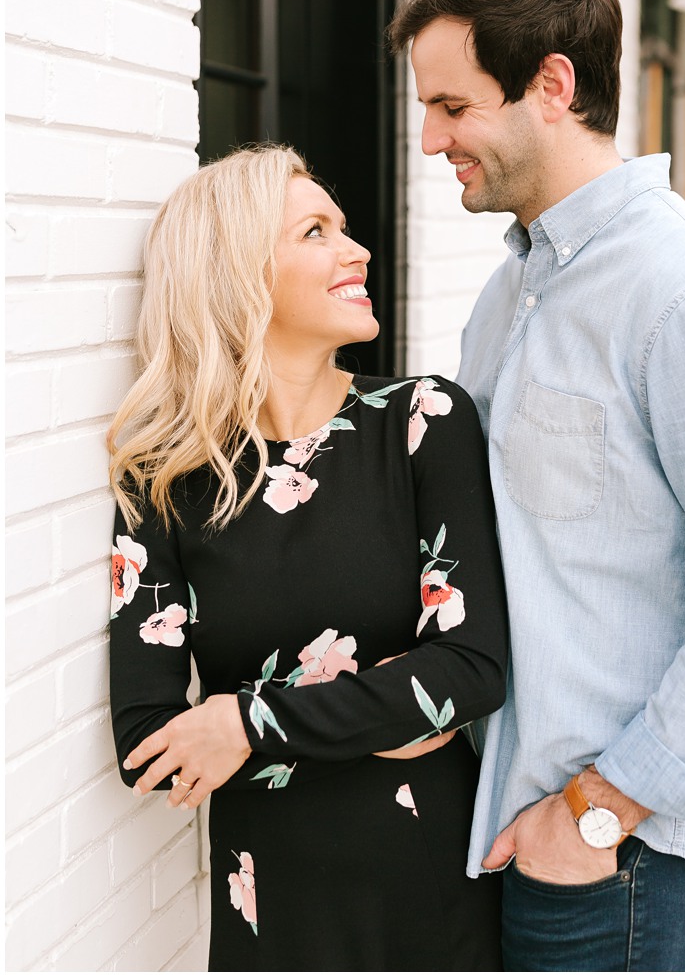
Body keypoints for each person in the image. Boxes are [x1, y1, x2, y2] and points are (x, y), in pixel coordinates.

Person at [385, 0, 685, 972]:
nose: (431, 137)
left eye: (452, 105)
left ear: (552, 87)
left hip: (620, 863)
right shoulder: (504, 300)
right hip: (507, 833)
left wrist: (594, 816)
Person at [107, 145, 510, 970]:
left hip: (429, 888)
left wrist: (245, 721)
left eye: (345, 228)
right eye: (316, 231)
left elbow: (469, 670)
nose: (356, 250)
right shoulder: (167, 476)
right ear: (237, 272)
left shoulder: (423, 423)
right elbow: (149, 745)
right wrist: (384, 703)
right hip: (272, 908)